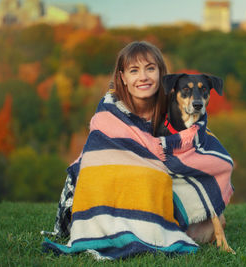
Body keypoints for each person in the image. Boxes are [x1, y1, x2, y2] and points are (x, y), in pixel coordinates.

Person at [42, 41, 234, 260]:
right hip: (101, 191)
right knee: (143, 176)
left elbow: (198, 152)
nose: (143, 77)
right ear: (123, 77)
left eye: (150, 69)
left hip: (151, 191)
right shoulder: (110, 110)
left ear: (161, 73)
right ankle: (127, 228)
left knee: (204, 225)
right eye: (134, 71)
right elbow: (99, 158)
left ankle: (153, 224)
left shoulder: (176, 107)